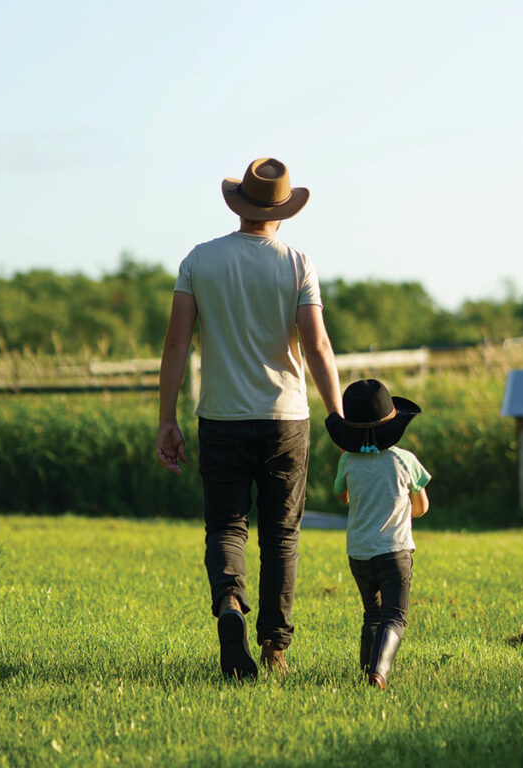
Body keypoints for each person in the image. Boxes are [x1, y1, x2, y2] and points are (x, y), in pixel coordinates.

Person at [156, 157, 343, 680]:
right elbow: (318, 344)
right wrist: (337, 412)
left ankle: (231, 608)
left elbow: (176, 343)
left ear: (239, 206)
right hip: (286, 417)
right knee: (281, 534)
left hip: (220, 417)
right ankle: (275, 650)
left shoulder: (200, 260)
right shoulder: (297, 263)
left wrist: (166, 417)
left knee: (226, 527)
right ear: (282, 211)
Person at [325, 378, 431, 689]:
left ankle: (365, 671)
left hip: (358, 554)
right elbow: (421, 507)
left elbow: (342, 496)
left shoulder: (347, 460)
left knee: (371, 614)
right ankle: (378, 673)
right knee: (394, 617)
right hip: (395, 552)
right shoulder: (404, 460)